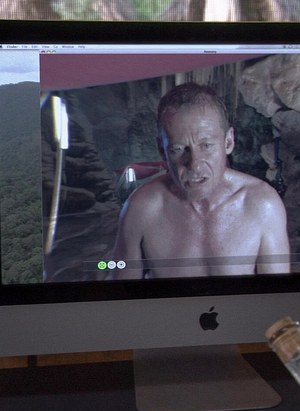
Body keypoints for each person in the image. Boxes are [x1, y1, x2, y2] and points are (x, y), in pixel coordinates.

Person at [112, 82, 290, 278]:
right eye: (179, 149)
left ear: (228, 142)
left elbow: (277, 293)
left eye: (206, 146)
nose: (194, 165)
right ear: (162, 151)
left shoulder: (262, 204)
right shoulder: (142, 208)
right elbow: (122, 290)